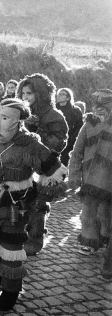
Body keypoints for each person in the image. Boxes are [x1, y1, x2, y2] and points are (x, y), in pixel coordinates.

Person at [0, 98, 67, 311]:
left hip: (15, 208)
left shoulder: (30, 144)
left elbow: (55, 171)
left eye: (4, 118)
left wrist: (44, 195)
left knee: (11, 250)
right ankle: (1, 271)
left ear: (17, 122)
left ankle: (11, 290)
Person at [17, 73, 68, 256]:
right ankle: (19, 235)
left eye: (29, 93)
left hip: (45, 167)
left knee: (38, 206)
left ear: (40, 93)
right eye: (23, 93)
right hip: (23, 166)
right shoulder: (21, 111)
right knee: (21, 202)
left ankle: (35, 239)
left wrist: (36, 131)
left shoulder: (54, 115)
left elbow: (59, 143)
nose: (25, 97)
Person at [69, 89, 112, 279]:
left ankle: (105, 238)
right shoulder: (87, 125)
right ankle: (89, 241)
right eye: (97, 108)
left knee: (106, 214)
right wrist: (74, 175)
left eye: (104, 108)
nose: (99, 112)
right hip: (89, 180)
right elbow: (76, 152)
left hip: (109, 181)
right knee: (88, 213)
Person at [56, 88, 83, 165]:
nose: (59, 96)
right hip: (54, 141)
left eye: (62, 94)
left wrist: (71, 140)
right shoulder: (53, 109)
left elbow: (79, 127)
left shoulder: (75, 110)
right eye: (58, 94)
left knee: (64, 164)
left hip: (69, 142)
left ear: (68, 98)